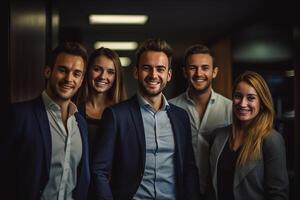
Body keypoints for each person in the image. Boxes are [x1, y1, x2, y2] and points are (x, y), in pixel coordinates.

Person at [92, 38, 200, 200]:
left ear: (168, 75)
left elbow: (189, 169)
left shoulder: (181, 117)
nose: (153, 75)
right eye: (146, 68)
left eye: (160, 69)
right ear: (136, 72)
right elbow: (99, 170)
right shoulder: (116, 115)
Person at [1, 42, 90, 200]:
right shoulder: (19, 116)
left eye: (76, 74)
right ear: (48, 71)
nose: (69, 78)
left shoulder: (80, 123)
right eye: (63, 70)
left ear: (81, 80)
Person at [209, 71, 289, 200]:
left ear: (261, 103)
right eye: (238, 96)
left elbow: (278, 195)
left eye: (251, 98)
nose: (242, 103)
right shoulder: (218, 136)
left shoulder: (272, 140)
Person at [169, 44, 232, 196]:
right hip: (180, 191)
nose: (199, 73)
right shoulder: (169, 108)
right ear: (184, 72)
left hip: (218, 192)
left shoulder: (230, 109)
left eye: (205, 68)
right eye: (193, 68)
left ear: (214, 72)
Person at [76, 47, 127, 152]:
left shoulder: (124, 112)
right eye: (97, 69)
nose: (103, 76)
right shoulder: (73, 108)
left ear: (117, 77)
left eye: (110, 72)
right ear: (88, 71)